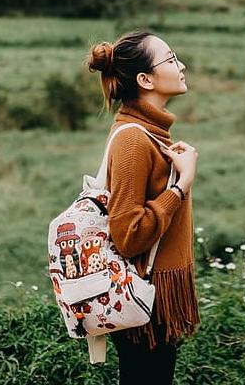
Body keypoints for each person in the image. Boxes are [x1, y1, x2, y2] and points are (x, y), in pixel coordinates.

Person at [84, 27, 200, 385]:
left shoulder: (149, 132)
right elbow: (128, 235)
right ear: (145, 79)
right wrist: (180, 185)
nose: (181, 65)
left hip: (155, 297)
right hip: (144, 297)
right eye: (171, 59)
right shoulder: (134, 140)